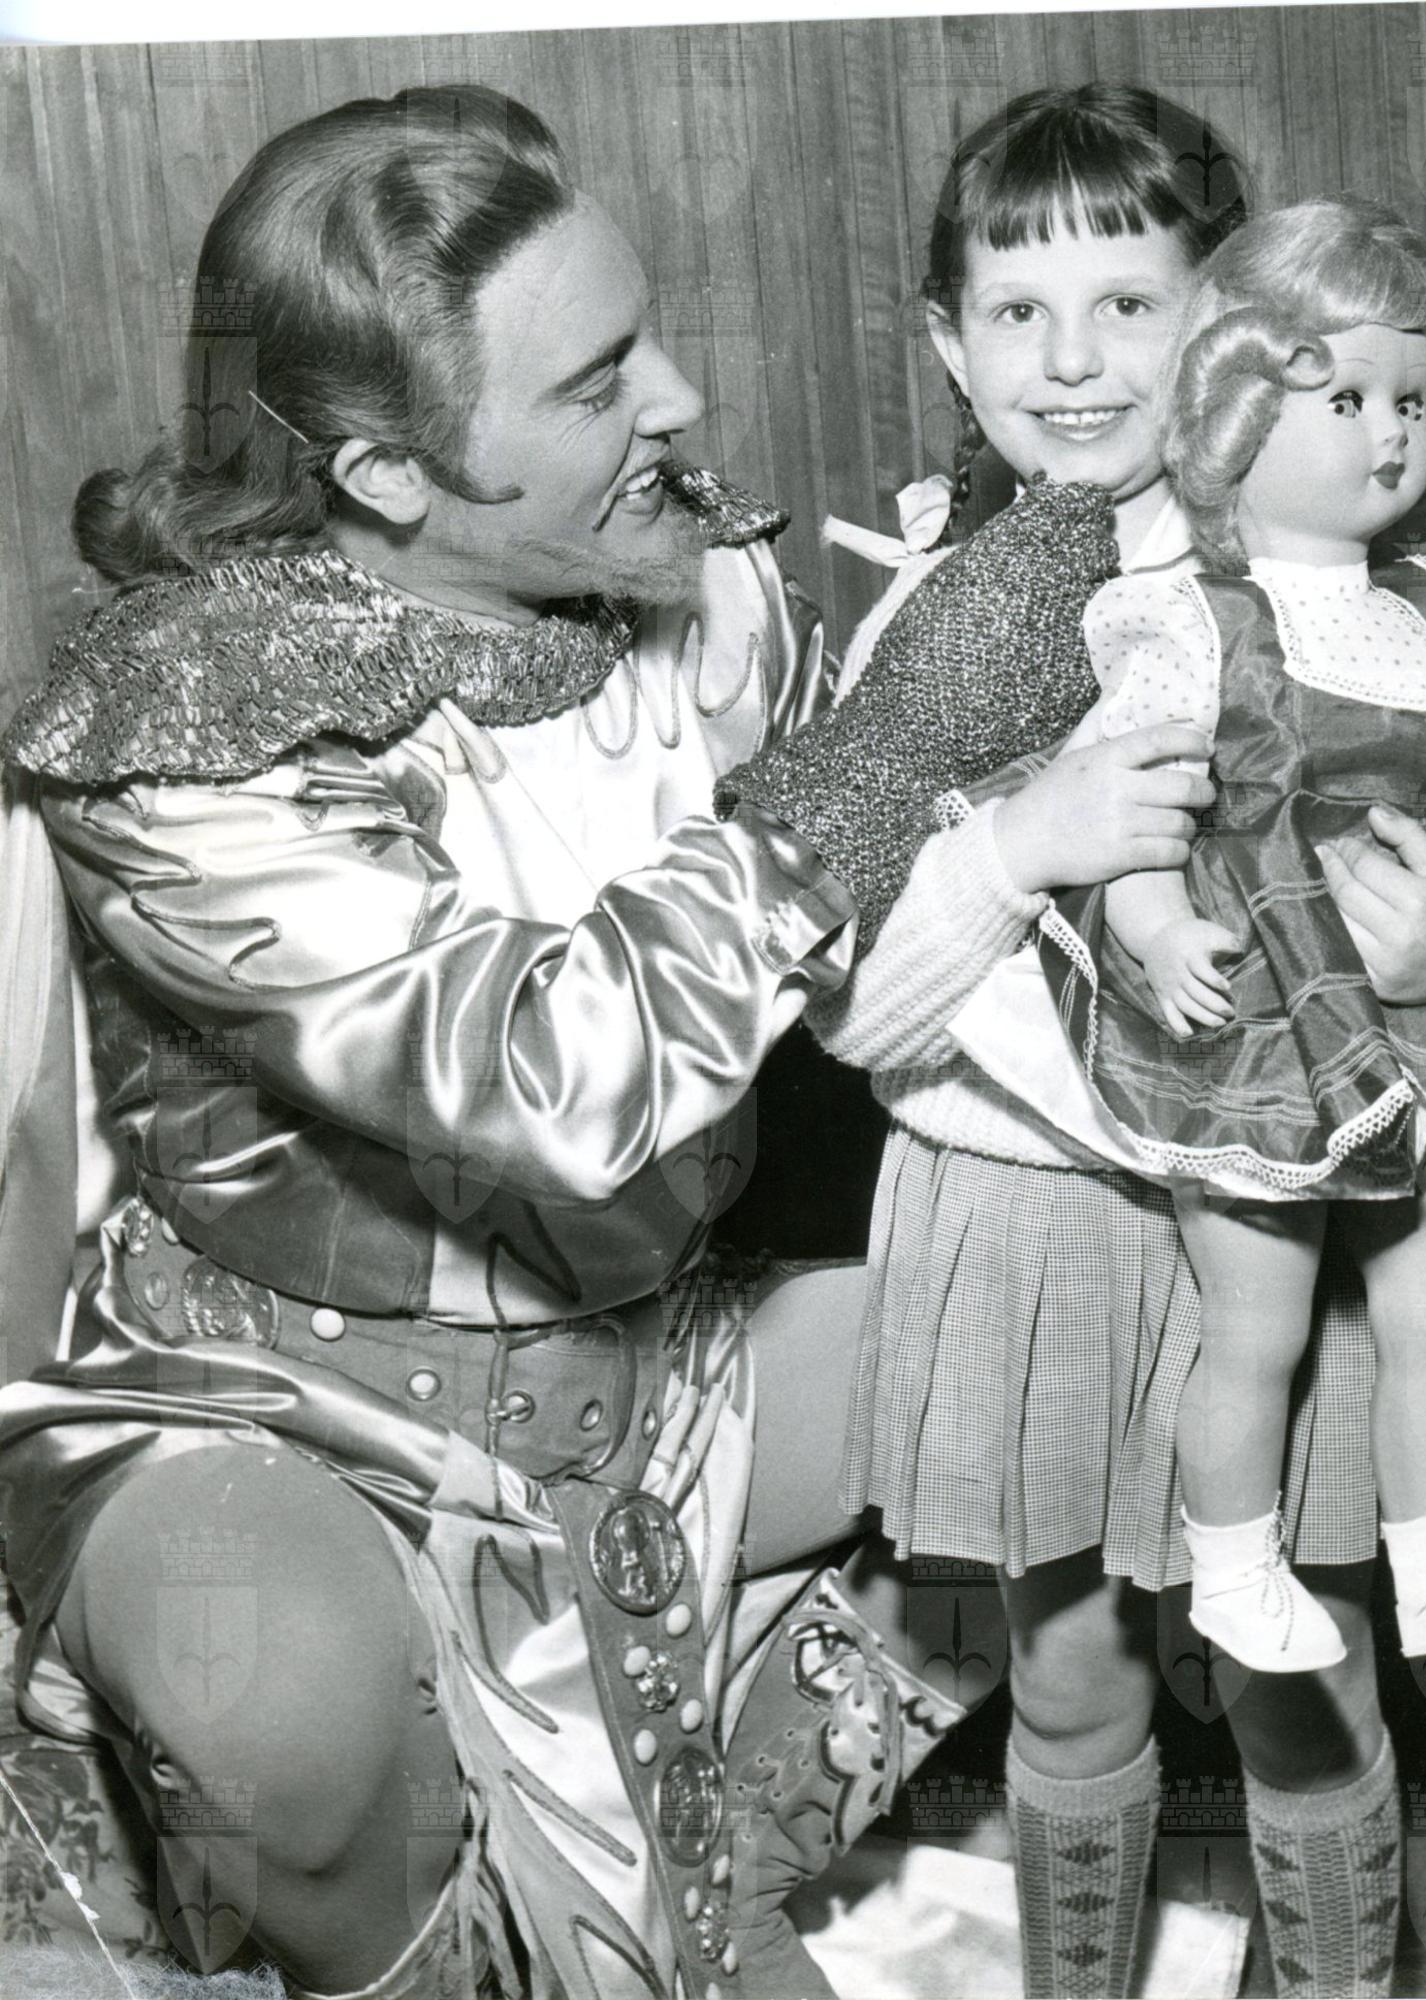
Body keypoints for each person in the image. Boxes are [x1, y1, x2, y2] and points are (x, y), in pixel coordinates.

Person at [0, 85, 1199, 2000]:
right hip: (278, 1398)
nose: (682, 402)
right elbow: (545, 1074)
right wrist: (888, 752)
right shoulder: (185, 728)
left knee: (1091, 1354)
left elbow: (898, 913)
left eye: (645, 335)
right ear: (389, 472)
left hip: (659, 1361)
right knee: (282, 1697)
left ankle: (724, 1856)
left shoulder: (695, 588)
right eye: (596, 382)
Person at [733, 86, 1426, 1998]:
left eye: (1132, 302)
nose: (1074, 359)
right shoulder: (933, 623)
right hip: (1036, 1223)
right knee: (1071, 1677)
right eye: (1017, 313)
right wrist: (1021, 850)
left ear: (1237, 329)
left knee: (1312, 1682)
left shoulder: (1349, 585)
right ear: (950, 343)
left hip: (1312, 1195)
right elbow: (856, 1008)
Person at [1046, 197, 1426, 1676]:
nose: (1389, 434)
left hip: (1406, 993)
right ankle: (1231, 1568)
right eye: (1344, 401)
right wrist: (1157, 930)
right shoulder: (1182, 620)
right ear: (1237, 411)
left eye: (1410, 400)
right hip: (1260, 1002)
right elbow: (1125, 818)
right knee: (1255, 1325)